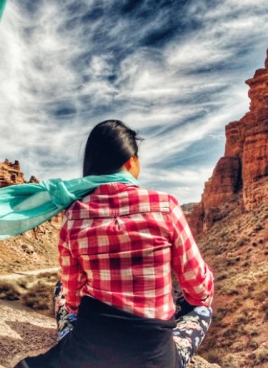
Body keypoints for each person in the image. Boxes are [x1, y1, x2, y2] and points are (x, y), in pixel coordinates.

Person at [14, 119, 215, 368]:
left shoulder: (74, 213)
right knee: (202, 310)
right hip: (154, 359)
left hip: (89, 352)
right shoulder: (166, 206)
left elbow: (73, 300)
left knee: (60, 290)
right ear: (131, 160)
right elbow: (198, 288)